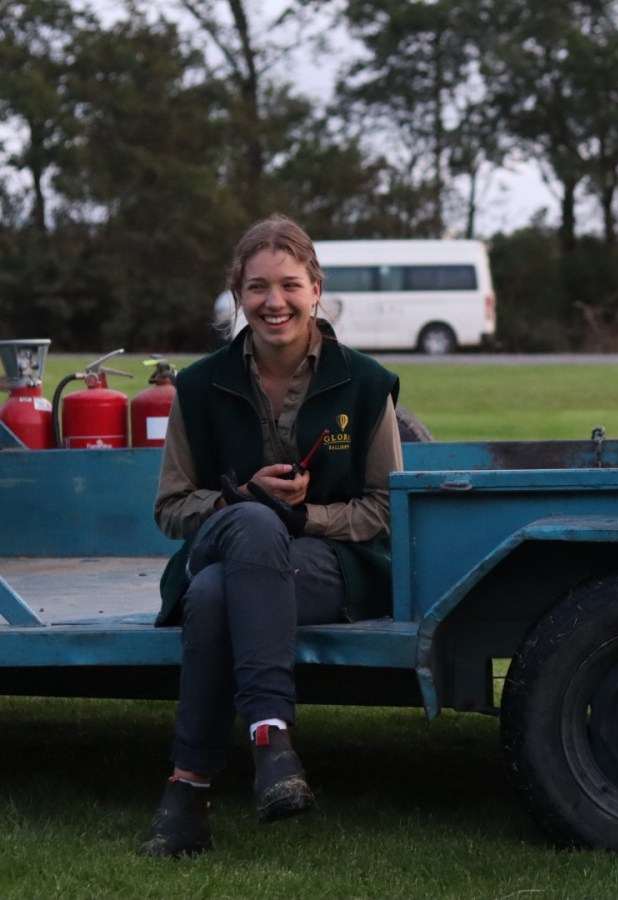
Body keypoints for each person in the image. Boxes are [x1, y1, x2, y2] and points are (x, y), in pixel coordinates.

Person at [139, 214, 404, 858]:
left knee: (214, 597)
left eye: (289, 285)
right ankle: (269, 737)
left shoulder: (366, 385)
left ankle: (186, 789)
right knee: (252, 521)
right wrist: (247, 501)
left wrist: (306, 517)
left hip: (326, 563)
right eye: (257, 287)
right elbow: (172, 507)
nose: (274, 302)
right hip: (222, 539)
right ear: (238, 295)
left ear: (316, 288)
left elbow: (387, 509)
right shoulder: (199, 386)